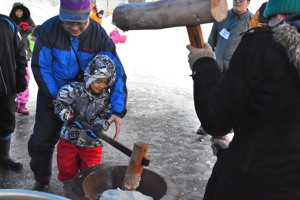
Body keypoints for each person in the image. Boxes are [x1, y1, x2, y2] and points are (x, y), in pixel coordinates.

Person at [186, 0, 300, 199]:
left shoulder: (265, 44)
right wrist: (237, 149)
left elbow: (215, 119)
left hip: (248, 188)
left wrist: (202, 63)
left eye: (269, 18)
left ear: (281, 15)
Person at [28, 0, 127, 191]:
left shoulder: (99, 35)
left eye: (80, 23)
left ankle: (82, 184)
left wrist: (117, 109)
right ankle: (41, 179)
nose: (74, 28)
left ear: (88, 15)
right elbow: (42, 67)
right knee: (42, 139)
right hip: (53, 93)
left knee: (86, 142)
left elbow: (116, 73)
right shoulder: (49, 30)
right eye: (67, 23)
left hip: (88, 99)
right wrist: (59, 100)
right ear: (60, 16)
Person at [53, 54, 116, 197]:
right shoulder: (73, 89)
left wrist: (100, 126)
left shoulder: (107, 98)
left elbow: (106, 115)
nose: (101, 86)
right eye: (98, 81)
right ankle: (69, 190)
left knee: (92, 170)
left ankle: (87, 191)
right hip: (69, 138)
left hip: (92, 143)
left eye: (105, 82)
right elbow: (59, 104)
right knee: (66, 167)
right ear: (90, 76)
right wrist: (69, 117)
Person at [196, 0, 253, 136]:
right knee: (212, 95)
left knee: (229, 99)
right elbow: (212, 40)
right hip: (217, 65)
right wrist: (205, 59)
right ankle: (205, 125)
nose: (238, 1)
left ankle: (229, 125)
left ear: (248, 2)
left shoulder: (251, 21)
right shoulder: (221, 16)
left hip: (234, 70)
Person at [0, 14, 27, 171]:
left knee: (6, 120)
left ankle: (4, 155)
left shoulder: (6, 23)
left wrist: (21, 75)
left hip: (5, 86)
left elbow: (20, 50)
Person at [9, 2, 35, 115]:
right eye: (17, 10)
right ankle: (13, 103)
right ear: (14, 11)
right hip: (11, 55)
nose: (19, 12)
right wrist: (19, 28)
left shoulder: (29, 20)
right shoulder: (9, 22)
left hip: (24, 55)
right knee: (11, 78)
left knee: (25, 78)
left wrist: (29, 28)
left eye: (21, 10)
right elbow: (8, 35)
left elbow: (35, 35)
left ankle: (22, 104)